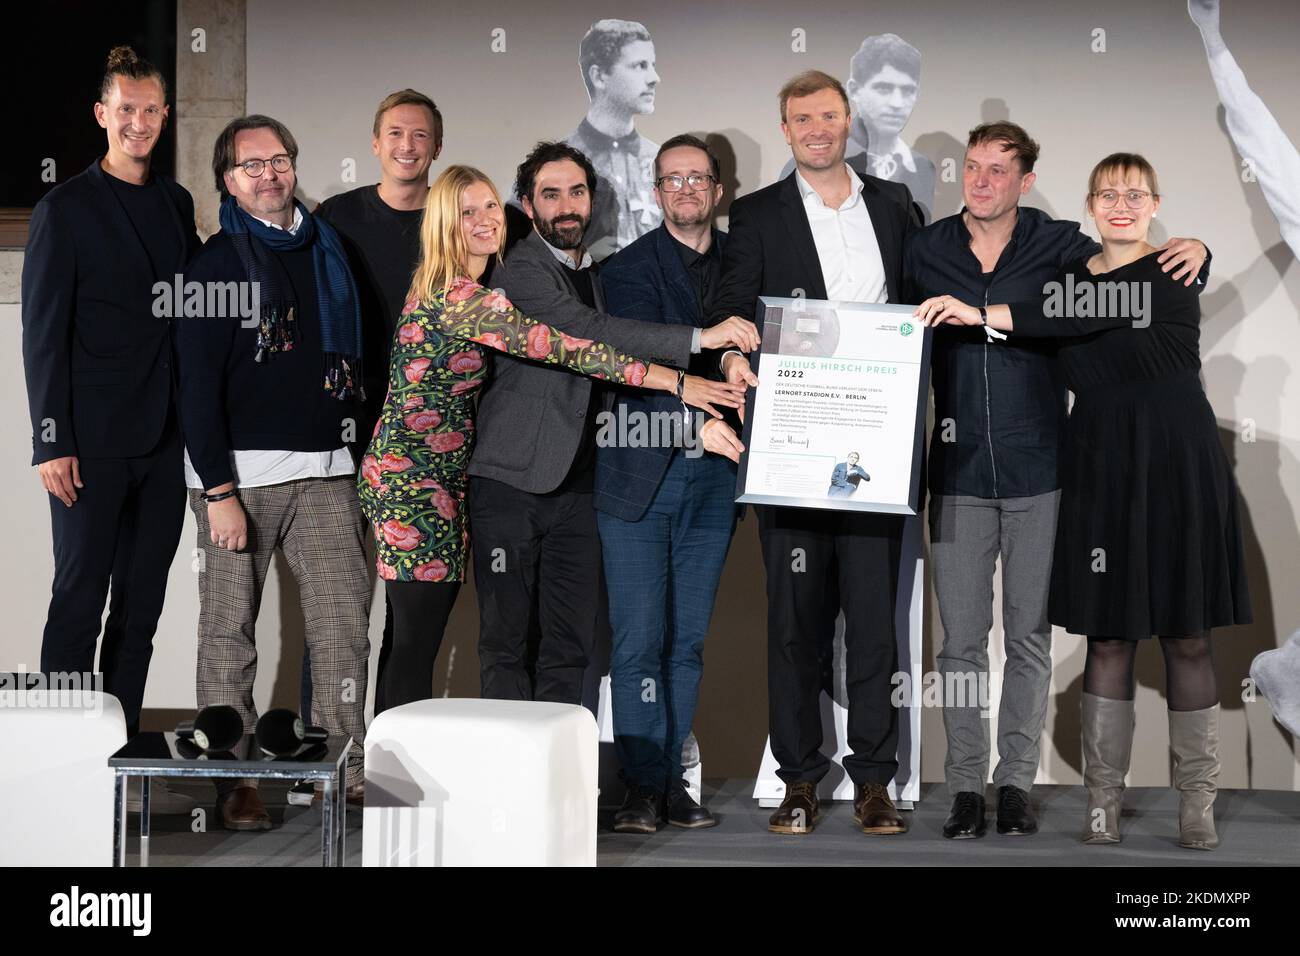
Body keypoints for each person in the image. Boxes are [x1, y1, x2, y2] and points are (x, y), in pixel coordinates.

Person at [916, 152, 1251, 851]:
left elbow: (1080, 309)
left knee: (1188, 637)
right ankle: (1103, 803)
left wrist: (980, 312)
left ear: (1157, 202)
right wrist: (996, 314)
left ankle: (1198, 802)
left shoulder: (1173, 271)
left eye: (1135, 193)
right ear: (1090, 206)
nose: (1121, 204)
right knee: (1108, 637)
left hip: (1178, 467)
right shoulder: (1063, 273)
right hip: (1098, 467)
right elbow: (1048, 311)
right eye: (1108, 193)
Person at [357, 163, 720, 718]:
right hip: (411, 480)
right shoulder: (461, 297)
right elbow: (565, 347)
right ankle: (392, 788)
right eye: (466, 212)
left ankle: (402, 777)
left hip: (446, 481)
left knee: (412, 634)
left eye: (487, 208)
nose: (483, 221)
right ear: (442, 223)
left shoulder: (468, 286)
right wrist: (677, 379)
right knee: (415, 638)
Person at [469, 141, 757, 710]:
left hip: (580, 487)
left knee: (570, 646)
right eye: (551, 194)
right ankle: (508, 788)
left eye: (577, 192)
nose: (567, 205)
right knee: (506, 643)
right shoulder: (519, 272)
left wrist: (716, 367)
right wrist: (696, 355)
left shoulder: (597, 273)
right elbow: (592, 334)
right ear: (528, 206)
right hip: (512, 483)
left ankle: (554, 785)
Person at [715, 70, 920, 836]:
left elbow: (927, 291)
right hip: (796, 448)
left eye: (829, 115)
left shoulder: (895, 206)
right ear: (786, 128)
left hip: (875, 443)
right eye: (802, 118)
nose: (817, 129)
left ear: (848, 121)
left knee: (873, 624)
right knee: (796, 623)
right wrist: (734, 359)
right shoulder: (759, 213)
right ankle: (799, 777)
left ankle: (874, 781)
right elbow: (733, 305)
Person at [176, 115, 371, 830]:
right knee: (229, 633)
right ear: (228, 180)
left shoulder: (331, 252)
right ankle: (234, 783)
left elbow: (362, 360)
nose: (268, 174)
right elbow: (193, 387)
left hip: (328, 474)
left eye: (279, 160)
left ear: (293, 165)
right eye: (251, 165)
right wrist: (219, 491)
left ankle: (340, 772)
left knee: (342, 629)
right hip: (239, 485)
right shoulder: (215, 264)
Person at [22, 47, 200, 812]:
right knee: (77, 597)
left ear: (164, 117)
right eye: (124, 109)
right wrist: (50, 439)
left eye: (150, 110)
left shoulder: (174, 202)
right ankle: (58, 754)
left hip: (163, 442)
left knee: (142, 605)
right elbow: (43, 332)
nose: (137, 122)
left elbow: (191, 311)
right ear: (103, 115)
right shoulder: (65, 208)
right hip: (88, 444)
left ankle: (117, 750)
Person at [289, 88, 442, 806]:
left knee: (408, 623)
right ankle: (319, 763)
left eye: (420, 135)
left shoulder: (455, 218)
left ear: (435, 147)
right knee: (336, 611)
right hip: (344, 441)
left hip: (423, 449)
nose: (408, 145)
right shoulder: (338, 219)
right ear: (375, 143)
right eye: (395, 134)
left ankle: (383, 767)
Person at [596, 134, 745, 832]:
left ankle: (673, 787)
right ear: (656, 194)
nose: (686, 188)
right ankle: (641, 789)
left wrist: (747, 363)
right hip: (640, 480)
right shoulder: (624, 271)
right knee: (638, 643)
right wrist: (691, 425)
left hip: (716, 484)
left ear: (718, 190)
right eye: (672, 178)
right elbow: (624, 368)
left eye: (699, 178)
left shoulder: (744, 267)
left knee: (685, 642)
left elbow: (753, 346)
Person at [564, 18, 661, 259]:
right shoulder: (555, 165)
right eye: (639, 65)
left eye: (652, 65)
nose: (654, 77)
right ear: (599, 76)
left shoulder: (660, 160)